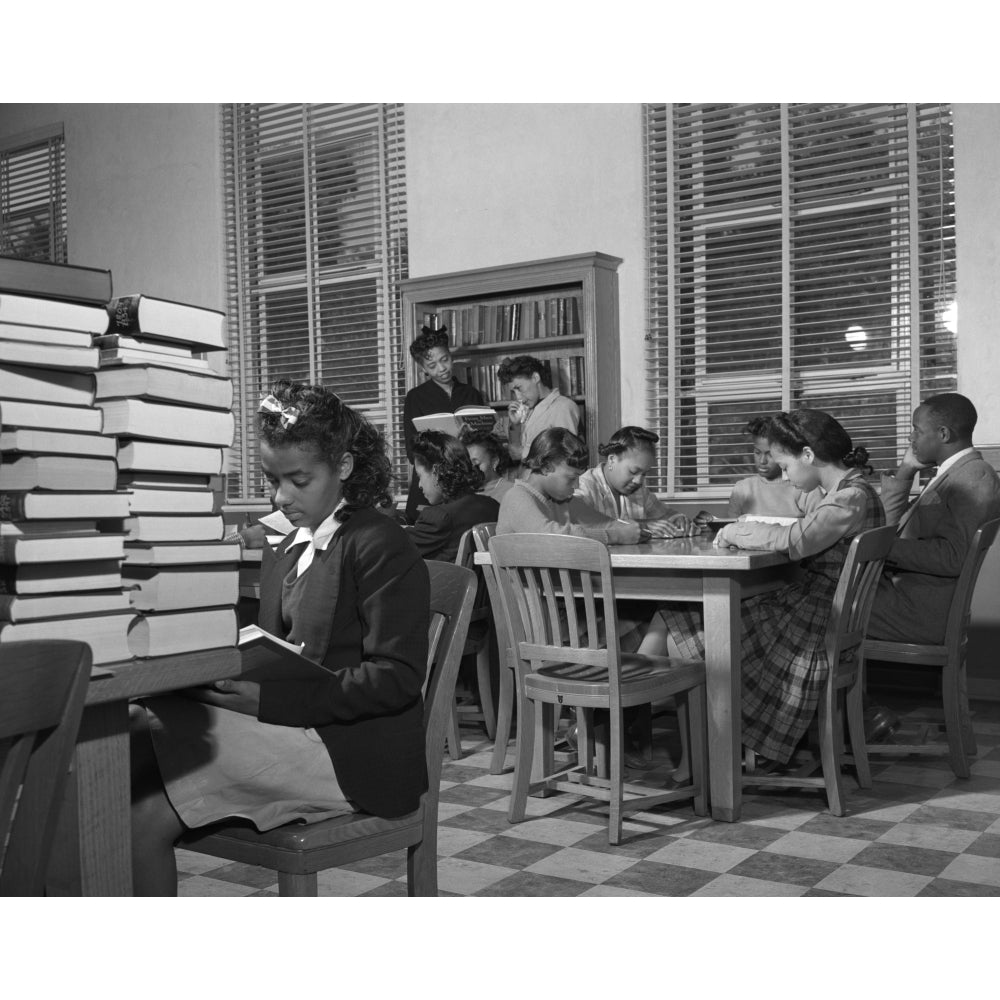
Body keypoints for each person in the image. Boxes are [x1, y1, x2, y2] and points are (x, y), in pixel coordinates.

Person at [129, 382, 430, 895]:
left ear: (345, 468)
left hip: (352, 752)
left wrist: (266, 699)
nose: (280, 496)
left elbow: (396, 679)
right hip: (292, 722)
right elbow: (275, 643)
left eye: (299, 480)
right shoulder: (289, 537)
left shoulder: (381, 543)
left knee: (141, 814)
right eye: (273, 479)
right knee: (127, 735)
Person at [640, 409, 885, 768]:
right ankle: (689, 744)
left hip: (815, 620)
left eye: (786, 466)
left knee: (680, 623)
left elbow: (796, 540)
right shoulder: (851, 490)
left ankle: (694, 755)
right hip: (822, 610)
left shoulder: (848, 498)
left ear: (808, 455)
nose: (784, 475)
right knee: (678, 618)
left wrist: (738, 530)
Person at [868, 393, 1000, 642]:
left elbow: (953, 557)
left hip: (917, 613)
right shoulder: (953, 473)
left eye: (917, 430)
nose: (910, 437)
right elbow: (887, 527)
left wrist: (881, 547)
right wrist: (906, 472)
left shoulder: (973, 478)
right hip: (907, 599)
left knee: (820, 605)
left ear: (943, 434)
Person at [497, 428, 641, 545]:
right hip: (524, 581)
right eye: (572, 478)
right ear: (546, 468)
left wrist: (633, 530)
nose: (577, 485)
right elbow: (551, 535)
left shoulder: (561, 500)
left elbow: (603, 523)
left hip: (552, 579)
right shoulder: (517, 497)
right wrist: (615, 536)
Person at [403, 325, 485, 523]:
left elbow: (485, 442)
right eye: (432, 366)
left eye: (445, 360)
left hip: (466, 480)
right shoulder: (416, 397)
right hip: (431, 480)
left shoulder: (471, 394)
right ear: (423, 368)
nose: (442, 369)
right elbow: (410, 449)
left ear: (451, 356)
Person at [575, 425, 701, 538]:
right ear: (612, 460)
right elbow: (580, 524)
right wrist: (643, 525)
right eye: (633, 472)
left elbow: (665, 514)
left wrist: (678, 520)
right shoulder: (585, 486)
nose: (639, 480)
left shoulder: (639, 492)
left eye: (644, 474)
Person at [407, 429, 501, 563]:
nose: (419, 485)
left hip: (446, 583)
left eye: (420, 476)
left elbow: (397, 547)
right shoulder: (492, 505)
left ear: (435, 472)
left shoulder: (440, 517)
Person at [498, 354, 581, 464]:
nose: (518, 397)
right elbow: (516, 452)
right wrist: (515, 425)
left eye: (519, 388)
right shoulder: (531, 409)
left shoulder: (563, 407)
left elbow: (567, 457)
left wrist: (524, 453)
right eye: (513, 391)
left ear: (535, 378)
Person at [728, 416, 803, 518]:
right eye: (757, 452)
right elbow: (729, 530)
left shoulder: (804, 488)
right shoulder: (742, 489)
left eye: (770, 454)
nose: (762, 461)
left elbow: (821, 531)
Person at [460, 427, 516, 503]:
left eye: (476, 463)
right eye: (467, 463)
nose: (470, 469)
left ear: (495, 461)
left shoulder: (511, 492)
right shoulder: (463, 492)